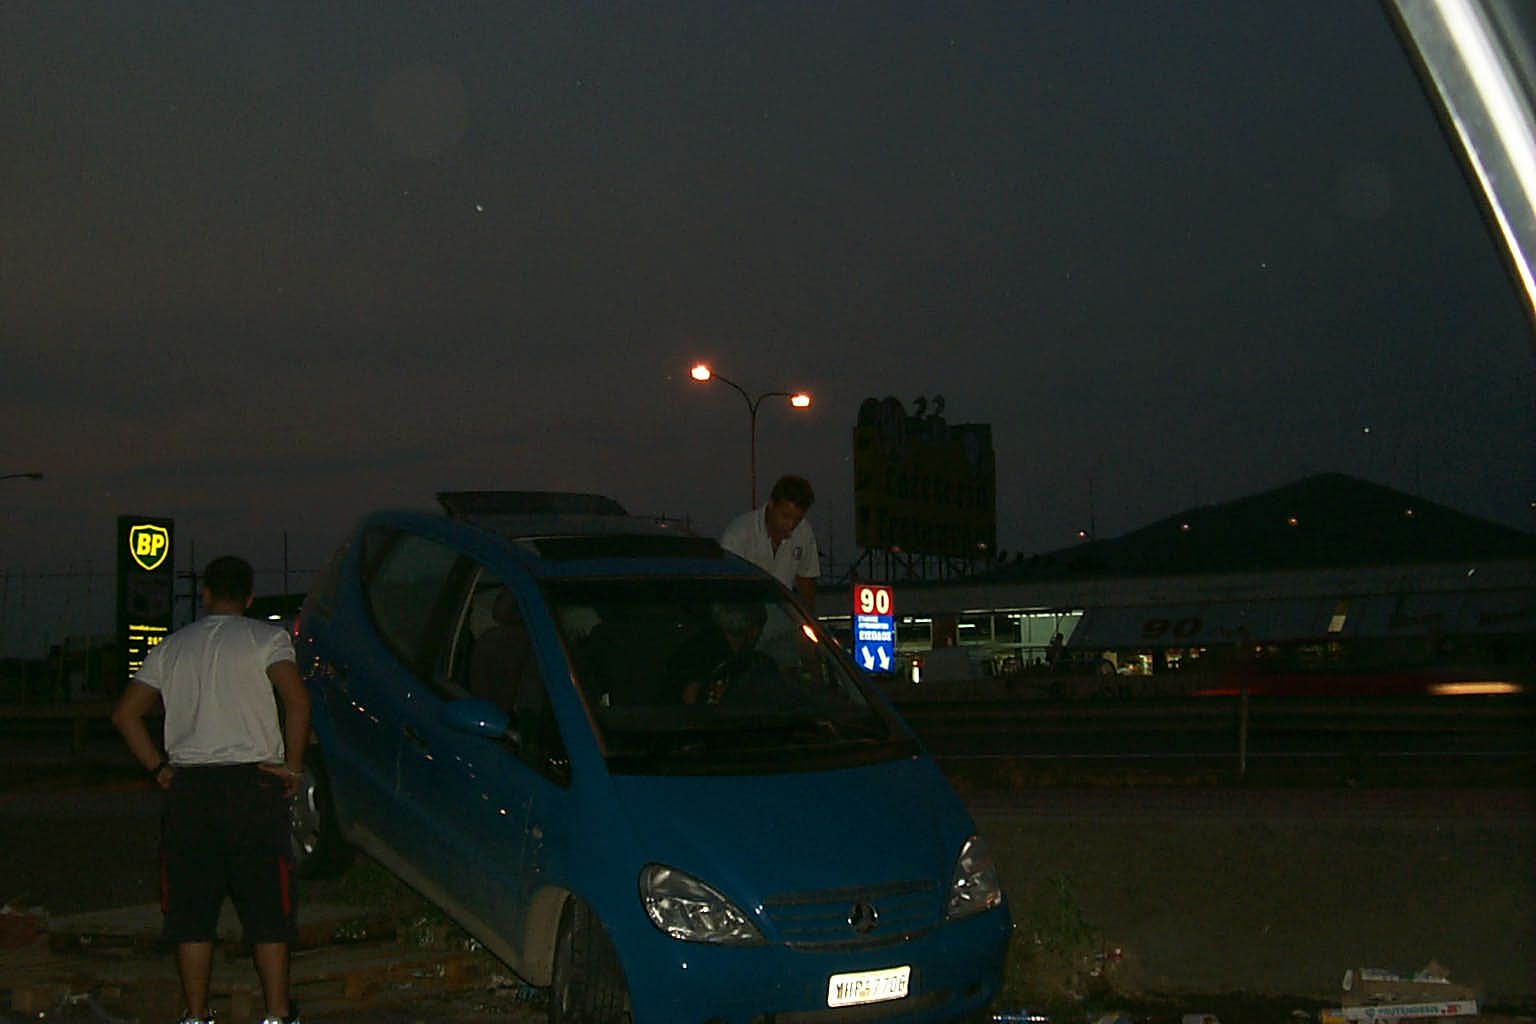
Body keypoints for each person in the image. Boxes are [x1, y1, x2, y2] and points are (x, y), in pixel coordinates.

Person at [111, 555, 310, 1024]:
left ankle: (197, 1014)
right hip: (253, 786)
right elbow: (297, 703)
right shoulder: (267, 639)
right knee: (267, 907)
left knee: (191, 913)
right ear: (249, 597)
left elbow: (125, 714)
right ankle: (277, 1014)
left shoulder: (173, 646)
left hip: (191, 790)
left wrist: (158, 768)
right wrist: (293, 767)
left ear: (204, 594)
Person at [719, 474, 820, 609]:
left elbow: (806, 582)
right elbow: (728, 590)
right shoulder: (737, 535)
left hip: (783, 615)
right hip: (744, 614)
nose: (790, 525)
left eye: (797, 519)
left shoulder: (803, 531)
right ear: (771, 504)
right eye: (785, 516)